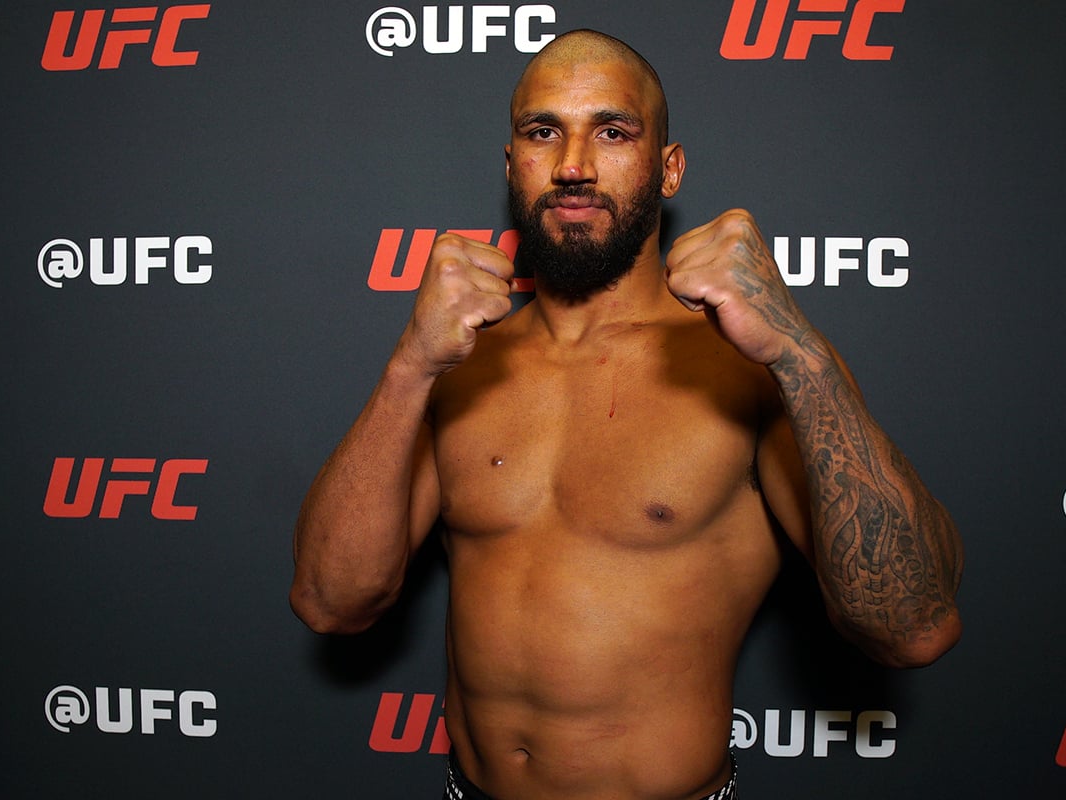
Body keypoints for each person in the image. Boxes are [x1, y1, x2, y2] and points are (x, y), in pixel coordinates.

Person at [291, 29, 963, 800]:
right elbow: (330, 604)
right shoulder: (457, 365)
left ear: (669, 168)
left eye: (612, 132)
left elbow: (912, 629)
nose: (573, 165)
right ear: (511, 165)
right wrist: (409, 366)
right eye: (543, 132)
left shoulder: (746, 371)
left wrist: (799, 352)